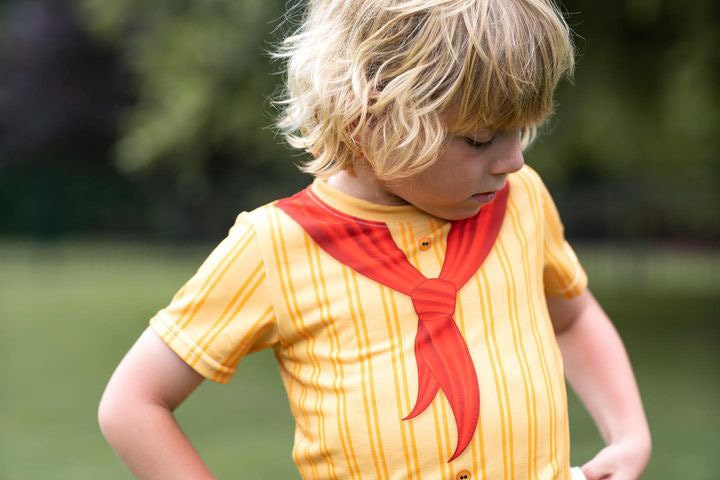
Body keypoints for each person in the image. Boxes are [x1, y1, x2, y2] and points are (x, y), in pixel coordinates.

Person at [98, 0, 652, 478]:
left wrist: (628, 434)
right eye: (480, 140)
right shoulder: (277, 245)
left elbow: (572, 317)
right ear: (370, 117)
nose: (513, 160)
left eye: (522, 130)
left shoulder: (523, 200)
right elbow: (133, 404)